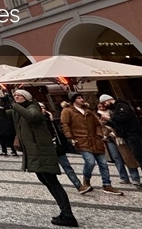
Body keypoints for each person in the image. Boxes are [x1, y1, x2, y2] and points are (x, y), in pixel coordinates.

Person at [11, 90, 77, 227]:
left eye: (20, 95)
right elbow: (4, 115)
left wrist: (13, 104)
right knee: (47, 181)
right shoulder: (20, 110)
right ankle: (65, 213)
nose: (16, 97)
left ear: (27, 97)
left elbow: (32, 117)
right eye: (15, 95)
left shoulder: (33, 107)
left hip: (42, 152)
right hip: (35, 153)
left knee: (52, 182)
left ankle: (68, 215)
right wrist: (1, 106)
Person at [61, 92, 122, 196]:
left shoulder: (88, 111)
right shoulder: (67, 111)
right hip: (82, 140)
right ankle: (86, 180)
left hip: (96, 140)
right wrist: (70, 137)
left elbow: (97, 124)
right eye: (79, 98)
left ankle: (107, 185)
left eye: (81, 97)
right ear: (74, 100)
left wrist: (99, 134)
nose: (82, 99)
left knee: (103, 164)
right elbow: (65, 125)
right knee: (90, 161)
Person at [106, 94, 142, 189]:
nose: (105, 105)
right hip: (129, 135)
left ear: (109, 100)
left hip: (133, 135)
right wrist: (107, 122)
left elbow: (124, 118)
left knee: (140, 159)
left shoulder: (122, 106)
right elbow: (118, 124)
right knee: (139, 158)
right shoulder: (117, 108)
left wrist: (110, 118)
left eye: (105, 102)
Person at [42, 104, 83, 192]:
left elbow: (58, 133)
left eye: (44, 107)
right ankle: (54, 187)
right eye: (41, 108)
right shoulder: (37, 122)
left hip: (58, 147)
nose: (43, 109)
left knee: (67, 167)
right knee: (51, 170)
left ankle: (79, 185)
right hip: (47, 150)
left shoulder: (51, 121)